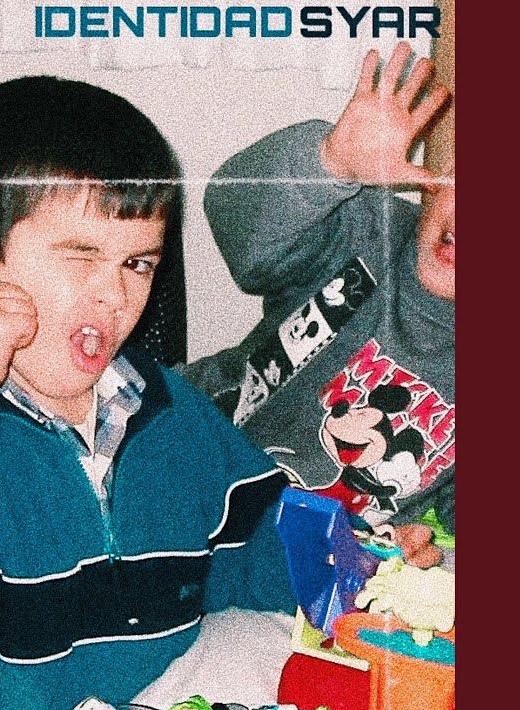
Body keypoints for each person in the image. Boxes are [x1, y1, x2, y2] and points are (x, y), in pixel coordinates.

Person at [0, 76, 295, 710]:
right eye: (80, 256)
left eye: (137, 264)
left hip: (161, 698)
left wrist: (366, 566)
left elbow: (267, 549)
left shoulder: (174, 414)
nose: (114, 296)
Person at [183, 42, 455, 568]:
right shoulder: (365, 230)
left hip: (308, 557)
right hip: (187, 448)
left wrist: (406, 542)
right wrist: (331, 163)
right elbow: (236, 223)